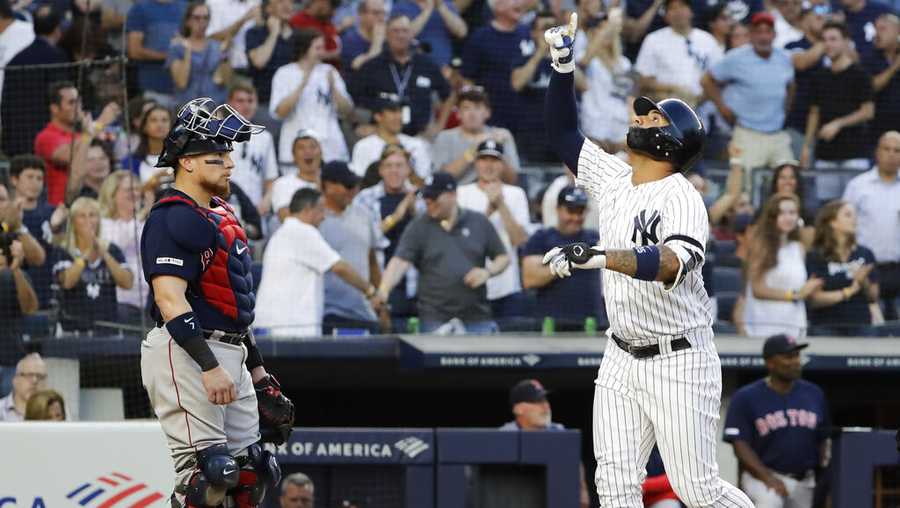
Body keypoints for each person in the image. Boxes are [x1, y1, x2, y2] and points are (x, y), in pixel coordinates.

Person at [541, 14, 753, 506]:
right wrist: (563, 65)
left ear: (669, 139)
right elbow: (562, 134)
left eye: (651, 116)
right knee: (613, 484)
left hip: (679, 356)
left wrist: (598, 257)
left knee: (697, 490)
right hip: (620, 353)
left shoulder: (682, 196)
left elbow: (671, 263)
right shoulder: (615, 178)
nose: (639, 115)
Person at [138, 97, 291, 507]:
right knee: (210, 476)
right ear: (186, 162)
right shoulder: (172, 214)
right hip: (186, 350)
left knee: (254, 470)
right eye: (217, 154)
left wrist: (257, 371)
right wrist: (208, 366)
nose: (229, 162)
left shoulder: (221, 212)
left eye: (228, 153)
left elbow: (234, 304)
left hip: (230, 349)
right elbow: (169, 299)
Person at [376, 172, 509, 333]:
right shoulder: (419, 225)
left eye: (434, 198)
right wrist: (384, 290)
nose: (428, 202)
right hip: (434, 317)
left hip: (476, 316)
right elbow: (400, 261)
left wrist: (487, 272)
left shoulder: (478, 221)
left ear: (452, 195)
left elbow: (503, 257)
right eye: (426, 197)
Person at [255, 188, 382, 337]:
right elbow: (340, 268)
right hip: (288, 329)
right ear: (309, 210)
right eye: (321, 210)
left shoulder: (282, 233)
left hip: (272, 327)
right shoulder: (302, 232)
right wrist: (370, 291)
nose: (324, 217)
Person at [723, 334, 830, 507]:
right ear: (770, 363)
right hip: (762, 478)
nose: (795, 361)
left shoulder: (814, 394)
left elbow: (824, 439)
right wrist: (768, 478)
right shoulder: (746, 397)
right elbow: (740, 445)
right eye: (788, 357)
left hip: (805, 480)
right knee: (769, 502)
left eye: (797, 356)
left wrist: (823, 477)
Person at [702, 12, 795, 174]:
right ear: (751, 34)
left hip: (777, 133)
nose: (763, 37)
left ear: (774, 35)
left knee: (788, 179)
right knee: (743, 187)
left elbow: (791, 86)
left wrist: (785, 111)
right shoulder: (736, 58)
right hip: (747, 132)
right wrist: (722, 108)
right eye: (759, 31)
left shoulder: (784, 58)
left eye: (768, 31)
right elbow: (707, 80)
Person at [457, 140, 530, 326]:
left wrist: (501, 205)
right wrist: (489, 210)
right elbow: (460, 240)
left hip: (507, 286)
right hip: (470, 284)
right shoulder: (461, 193)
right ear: (476, 162)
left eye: (494, 160)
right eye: (483, 159)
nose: (488, 165)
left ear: (503, 164)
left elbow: (520, 240)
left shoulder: (516, 194)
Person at [801, 20, 874, 194]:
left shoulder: (860, 74)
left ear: (846, 41)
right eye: (825, 40)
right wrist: (806, 146)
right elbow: (814, 112)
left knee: (854, 206)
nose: (828, 44)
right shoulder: (819, 76)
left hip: (854, 152)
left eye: (833, 39)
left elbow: (868, 111)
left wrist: (838, 123)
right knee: (827, 207)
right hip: (826, 153)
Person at [354, 144, 422, 323]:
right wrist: (397, 216)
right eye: (389, 166)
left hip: (414, 285)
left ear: (408, 169)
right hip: (380, 284)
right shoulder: (365, 198)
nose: (394, 171)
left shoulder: (421, 199)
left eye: (399, 166)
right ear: (381, 170)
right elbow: (365, 239)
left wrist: (415, 214)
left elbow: (429, 241)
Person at [352, 13, 451, 137]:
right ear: (387, 35)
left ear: (412, 34)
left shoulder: (426, 64)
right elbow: (354, 100)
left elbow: (448, 95)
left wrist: (439, 126)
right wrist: (359, 125)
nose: (400, 35)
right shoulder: (372, 67)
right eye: (395, 31)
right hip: (381, 135)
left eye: (405, 31)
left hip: (419, 136)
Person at [498, 379, 591, 508]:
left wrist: (582, 489)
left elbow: (575, 463)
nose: (546, 406)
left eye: (545, 400)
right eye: (537, 401)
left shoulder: (558, 432)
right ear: (518, 409)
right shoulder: (503, 436)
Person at [522, 185, 605, 331]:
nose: (576, 218)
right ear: (558, 209)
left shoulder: (594, 239)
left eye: (580, 212)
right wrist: (568, 260)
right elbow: (529, 279)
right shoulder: (542, 239)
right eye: (571, 211)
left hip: (590, 323)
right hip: (551, 323)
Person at [743, 193, 822, 337]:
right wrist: (794, 295)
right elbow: (757, 289)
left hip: (794, 321)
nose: (788, 217)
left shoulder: (798, 247)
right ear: (772, 217)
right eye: (782, 213)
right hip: (766, 322)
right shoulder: (761, 245)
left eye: (792, 213)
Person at [51, 197, 134, 334]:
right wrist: (86, 255)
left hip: (108, 330)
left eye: (92, 215)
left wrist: (105, 255)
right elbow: (66, 281)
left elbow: (127, 283)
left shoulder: (111, 249)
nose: (88, 221)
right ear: (73, 222)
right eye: (82, 216)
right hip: (73, 332)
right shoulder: (63, 250)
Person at [318, 161, 384, 333]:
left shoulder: (364, 215)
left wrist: (382, 306)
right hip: (326, 314)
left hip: (364, 313)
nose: (353, 190)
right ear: (328, 186)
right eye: (347, 185)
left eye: (355, 185)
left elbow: (372, 262)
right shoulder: (315, 219)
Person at [271, 28, 353, 164]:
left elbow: (347, 110)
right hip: (296, 145)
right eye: (318, 48)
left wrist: (333, 88)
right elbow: (280, 112)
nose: (322, 52)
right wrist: (303, 83)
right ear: (304, 49)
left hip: (330, 147)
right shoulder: (284, 73)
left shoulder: (330, 71)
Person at [842, 131, 900, 321]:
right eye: (887, 149)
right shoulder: (857, 186)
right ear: (877, 152)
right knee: (872, 332)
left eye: (897, 150)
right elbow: (842, 225)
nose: (892, 154)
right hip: (867, 270)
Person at [34, 82, 121, 206]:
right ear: (54, 108)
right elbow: (69, 156)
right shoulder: (46, 136)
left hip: (92, 202)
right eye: (71, 102)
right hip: (61, 207)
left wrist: (92, 129)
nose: (78, 107)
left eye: (79, 102)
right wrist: (100, 123)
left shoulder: (83, 135)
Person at [0, 5, 68, 158]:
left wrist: (6, 139)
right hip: (48, 138)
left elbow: (5, 104)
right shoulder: (57, 57)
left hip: (17, 140)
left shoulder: (15, 61)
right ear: (57, 30)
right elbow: (62, 98)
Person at [805, 200, 879, 336]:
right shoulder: (816, 256)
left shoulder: (865, 253)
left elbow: (873, 297)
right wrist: (848, 292)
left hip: (861, 325)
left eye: (855, 215)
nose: (854, 219)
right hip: (825, 326)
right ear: (832, 222)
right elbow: (814, 299)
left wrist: (864, 281)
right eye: (848, 215)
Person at [635, 0, 722, 107]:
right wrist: (674, 89)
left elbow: (719, 78)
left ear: (691, 11)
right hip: (666, 108)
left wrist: (700, 99)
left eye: (682, 6)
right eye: (672, 8)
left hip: (704, 108)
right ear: (666, 16)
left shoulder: (707, 40)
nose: (678, 12)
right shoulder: (653, 39)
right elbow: (644, 81)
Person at [460, 0, 531, 132]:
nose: (519, 3)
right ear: (498, 6)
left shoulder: (528, 34)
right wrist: (477, 112)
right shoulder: (480, 37)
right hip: (492, 117)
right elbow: (467, 78)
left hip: (527, 117)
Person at [432, 86, 519, 184]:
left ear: (487, 113)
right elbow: (441, 179)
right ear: (458, 114)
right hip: (458, 195)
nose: (472, 113)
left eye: (477, 107)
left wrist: (498, 150)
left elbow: (512, 180)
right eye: (466, 108)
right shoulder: (445, 137)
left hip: (494, 193)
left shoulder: (502, 135)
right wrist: (473, 149)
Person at [99, 170, 151, 324]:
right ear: (112, 194)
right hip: (119, 301)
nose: (134, 193)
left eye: (137, 189)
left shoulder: (146, 224)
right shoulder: (104, 223)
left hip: (148, 300)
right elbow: (116, 247)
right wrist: (142, 213)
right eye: (129, 190)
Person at [580, 8, 633, 154]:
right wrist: (609, 27)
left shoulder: (624, 63)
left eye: (609, 29)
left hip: (620, 132)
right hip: (594, 132)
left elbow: (626, 96)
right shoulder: (585, 59)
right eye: (600, 28)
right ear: (591, 33)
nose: (607, 33)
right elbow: (583, 64)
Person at [349, 92, 433, 180]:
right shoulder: (364, 146)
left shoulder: (416, 145)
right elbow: (361, 181)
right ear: (378, 116)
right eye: (393, 111)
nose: (399, 116)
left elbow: (425, 179)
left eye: (400, 111)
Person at [227, 82, 280, 215]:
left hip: (256, 209)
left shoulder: (265, 137)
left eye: (250, 101)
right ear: (229, 104)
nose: (246, 105)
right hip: (225, 208)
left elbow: (271, 178)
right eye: (240, 101)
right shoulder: (216, 135)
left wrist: (266, 201)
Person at [245, 0, 297, 131]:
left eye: (290, 1)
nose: (287, 5)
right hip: (265, 106)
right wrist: (274, 33)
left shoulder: (299, 36)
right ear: (268, 8)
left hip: (295, 107)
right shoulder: (255, 33)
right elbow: (259, 62)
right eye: (280, 1)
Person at [125, 0, 188, 108]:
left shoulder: (186, 7)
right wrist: (169, 56)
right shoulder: (140, 9)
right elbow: (134, 51)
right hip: (153, 89)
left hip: (185, 92)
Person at [167, 2, 230, 107]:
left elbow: (226, 80)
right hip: (188, 107)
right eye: (197, 18)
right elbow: (181, 83)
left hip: (214, 106)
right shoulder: (178, 47)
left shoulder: (217, 47)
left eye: (205, 18)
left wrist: (224, 55)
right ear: (188, 21)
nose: (202, 22)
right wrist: (187, 51)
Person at [390, 0, 467, 68]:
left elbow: (462, 32)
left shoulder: (446, 4)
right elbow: (404, 35)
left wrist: (441, 7)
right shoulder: (402, 6)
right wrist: (428, 9)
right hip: (412, 66)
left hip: (444, 67)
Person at [863, 13, 900, 148]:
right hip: (877, 131)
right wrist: (894, 68)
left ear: (898, 30)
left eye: (882, 29)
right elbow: (870, 87)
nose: (877, 34)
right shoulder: (868, 57)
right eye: (876, 29)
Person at [271, 130, 323, 220]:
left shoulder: (333, 182)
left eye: (313, 147)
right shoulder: (282, 184)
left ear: (321, 153)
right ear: (293, 156)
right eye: (301, 148)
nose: (308, 152)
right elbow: (285, 218)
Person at [122, 104, 175, 186]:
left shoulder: (182, 157)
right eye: (154, 120)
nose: (160, 125)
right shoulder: (131, 162)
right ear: (144, 127)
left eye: (164, 120)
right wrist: (155, 180)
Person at [205, 0, 260, 75]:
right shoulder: (215, 3)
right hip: (228, 67)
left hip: (256, 69)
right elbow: (211, 37)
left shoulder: (257, 2)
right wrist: (243, 20)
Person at [340, 0, 388, 72]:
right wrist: (377, 43)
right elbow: (358, 67)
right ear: (361, 15)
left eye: (383, 13)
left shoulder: (389, 39)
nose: (381, 17)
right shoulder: (349, 39)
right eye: (376, 13)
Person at [0, 353, 47, 421]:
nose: (35, 381)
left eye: (40, 376)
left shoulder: (55, 412)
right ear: (15, 380)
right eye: (29, 375)